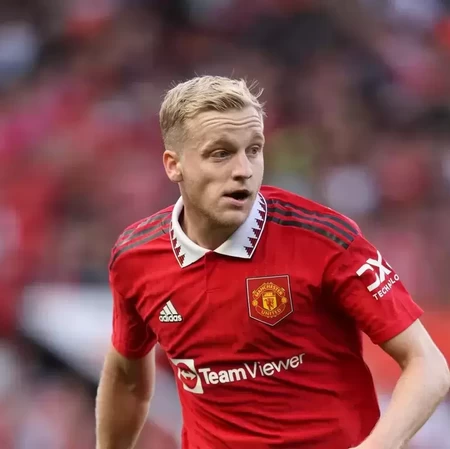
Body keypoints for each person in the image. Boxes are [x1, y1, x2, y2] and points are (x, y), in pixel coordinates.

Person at [95, 76, 450, 449]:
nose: (244, 170)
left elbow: (427, 365)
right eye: (221, 153)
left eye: (253, 150)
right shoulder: (136, 257)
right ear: (174, 165)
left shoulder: (324, 240)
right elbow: (127, 378)